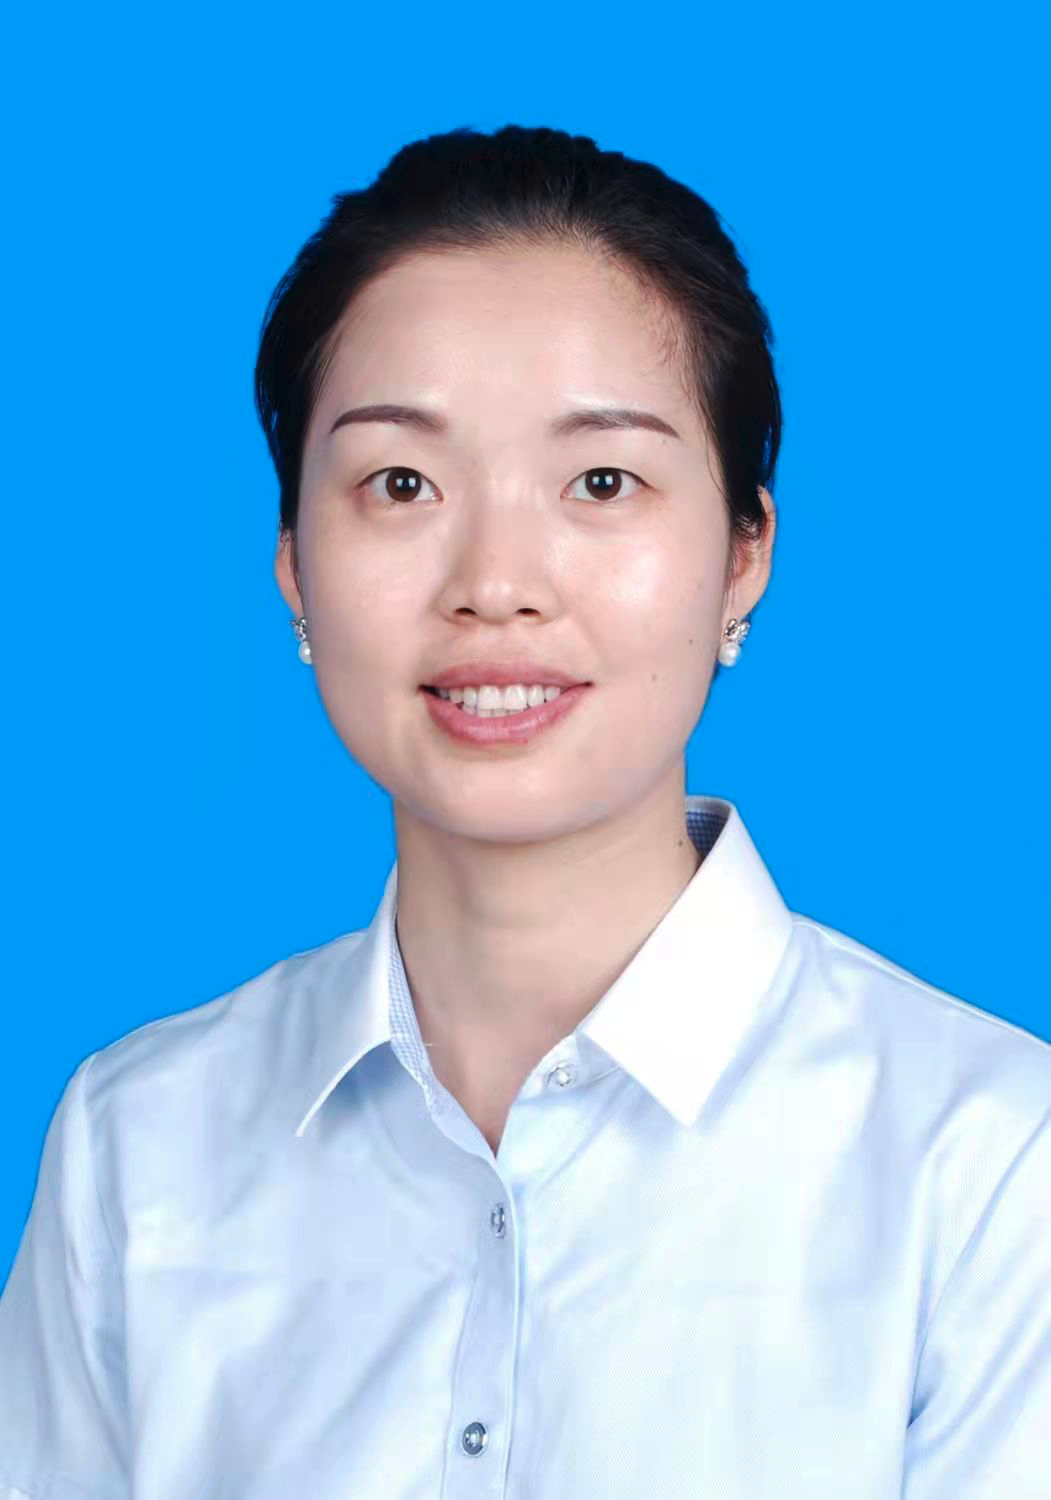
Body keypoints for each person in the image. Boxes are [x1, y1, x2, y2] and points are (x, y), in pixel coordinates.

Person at [1, 124, 1048, 1499]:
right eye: (401, 485)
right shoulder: (136, 1147)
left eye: (600, 483)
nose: (495, 583)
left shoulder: (988, 1163)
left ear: (744, 554)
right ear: (293, 564)